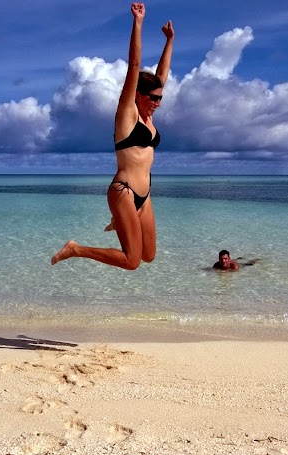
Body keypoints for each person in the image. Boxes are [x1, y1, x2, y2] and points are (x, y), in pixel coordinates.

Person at [52, 2, 173, 270]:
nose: (158, 103)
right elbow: (134, 65)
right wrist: (138, 23)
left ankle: (120, 220)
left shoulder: (149, 119)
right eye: (153, 98)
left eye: (160, 98)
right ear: (138, 95)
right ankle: (76, 249)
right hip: (124, 191)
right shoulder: (126, 115)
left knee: (149, 255)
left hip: (145, 194)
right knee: (132, 262)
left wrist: (169, 41)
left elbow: (161, 77)